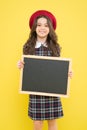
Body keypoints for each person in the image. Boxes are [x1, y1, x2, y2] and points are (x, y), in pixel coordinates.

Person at [17, 10, 72, 130]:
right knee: (37, 123)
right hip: (35, 91)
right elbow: (27, 69)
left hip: (52, 90)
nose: (42, 28)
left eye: (46, 25)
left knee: (52, 122)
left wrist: (66, 73)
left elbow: (57, 68)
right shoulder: (27, 47)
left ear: (50, 29)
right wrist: (21, 65)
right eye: (39, 25)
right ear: (34, 28)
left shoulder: (55, 47)